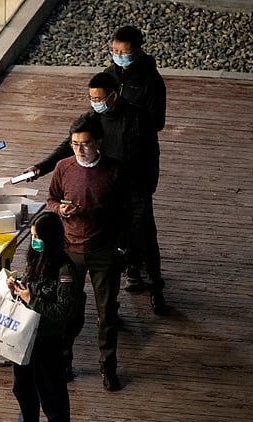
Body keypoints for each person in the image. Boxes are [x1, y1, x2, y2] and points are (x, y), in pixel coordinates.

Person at [18, 71, 167, 315]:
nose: (94, 103)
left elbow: (152, 155)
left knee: (144, 236)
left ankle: (156, 287)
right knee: (111, 238)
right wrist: (41, 167)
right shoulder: (92, 119)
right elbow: (69, 146)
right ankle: (126, 277)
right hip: (102, 181)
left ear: (113, 96)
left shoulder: (138, 118)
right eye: (91, 98)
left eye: (98, 98)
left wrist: (148, 187)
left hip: (135, 188)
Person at [46, 114, 130, 391]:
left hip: (103, 252)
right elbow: (52, 199)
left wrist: (121, 248)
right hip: (70, 252)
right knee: (69, 309)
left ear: (99, 143)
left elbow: (125, 212)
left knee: (106, 312)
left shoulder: (115, 171)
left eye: (85, 144)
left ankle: (108, 366)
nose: (79, 150)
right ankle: (64, 359)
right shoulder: (63, 167)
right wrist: (61, 210)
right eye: (74, 144)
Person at [0, 211, 78, 422]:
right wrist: (17, 287)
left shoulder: (65, 269)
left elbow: (62, 312)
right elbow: (29, 287)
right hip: (24, 336)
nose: (34, 242)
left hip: (48, 339)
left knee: (51, 391)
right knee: (22, 387)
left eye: (37, 237)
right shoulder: (35, 259)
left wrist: (31, 299)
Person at [104, 25, 168, 305]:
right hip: (113, 166)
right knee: (119, 224)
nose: (118, 56)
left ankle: (156, 285)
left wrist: (125, 117)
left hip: (140, 166)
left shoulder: (151, 81)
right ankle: (132, 268)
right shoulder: (108, 77)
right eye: (115, 51)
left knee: (143, 225)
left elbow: (158, 123)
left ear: (137, 50)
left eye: (124, 52)